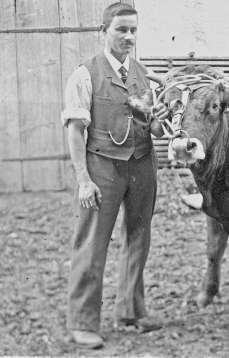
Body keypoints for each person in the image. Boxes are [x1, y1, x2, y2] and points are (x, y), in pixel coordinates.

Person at [61, 3, 168, 349]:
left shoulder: (142, 73)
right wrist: (83, 179)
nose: (129, 37)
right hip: (101, 168)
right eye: (121, 29)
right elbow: (76, 131)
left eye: (133, 30)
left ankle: (131, 310)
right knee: (92, 244)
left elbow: (151, 125)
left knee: (139, 238)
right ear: (104, 30)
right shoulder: (84, 74)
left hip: (142, 165)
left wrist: (160, 118)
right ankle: (82, 322)